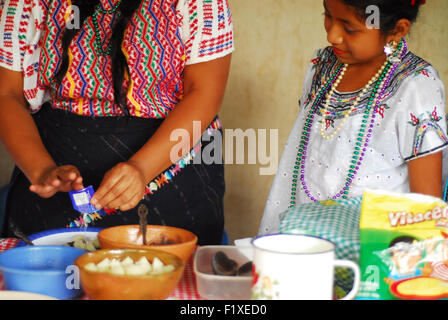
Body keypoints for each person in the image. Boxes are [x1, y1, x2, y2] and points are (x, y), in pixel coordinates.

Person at [0, 0, 234, 245]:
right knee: (47, 276)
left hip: (171, 179)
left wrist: (142, 168)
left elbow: (205, 93)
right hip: (57, 180)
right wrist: (41, 170)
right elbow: (7, 94)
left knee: (166, 276)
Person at [259, 0, 447, 235]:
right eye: (327, 15)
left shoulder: (415, 86)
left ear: (397, 30)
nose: (333, 36)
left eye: (349, 28)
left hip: (372, 255)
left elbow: (426, 208)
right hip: (304, 238)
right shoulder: (323, 65)